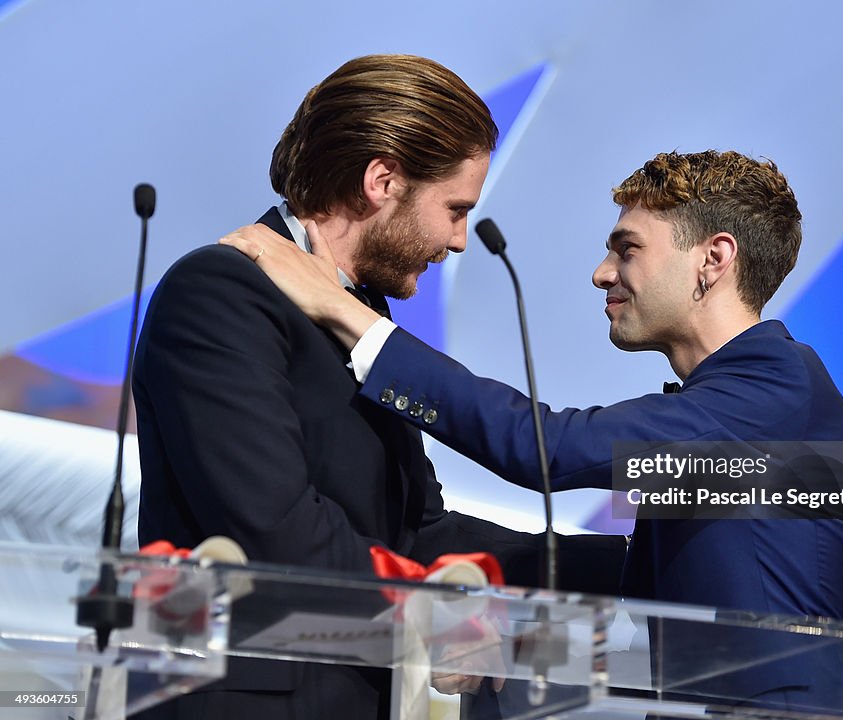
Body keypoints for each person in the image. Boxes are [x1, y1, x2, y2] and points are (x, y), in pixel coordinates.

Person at [221, 149, 843, 716]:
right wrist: (479, 610)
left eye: (628, 250)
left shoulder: (772, 388)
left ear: (714, 259)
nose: (602, 273)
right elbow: (667, 592)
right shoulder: (754, 404)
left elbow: (547, 449)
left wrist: (338, 309)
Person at [133, 54, 625, 720]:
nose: (458, 240)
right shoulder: (220, 292)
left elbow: (418, 532)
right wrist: (453, 610)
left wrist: (627, 564)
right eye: (454, 209)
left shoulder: (361, 317)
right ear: (382, 180)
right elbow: (279, 534)